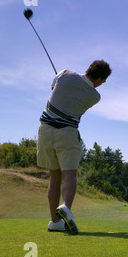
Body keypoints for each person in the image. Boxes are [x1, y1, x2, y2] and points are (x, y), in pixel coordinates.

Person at [37, 60, 111, 234]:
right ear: (99, 78)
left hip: (45, 130)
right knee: (69, 174)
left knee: (54, 177)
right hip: (67, 132)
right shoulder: (94, 96)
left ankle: (55, 222)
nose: (102, 84)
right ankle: (66, 207)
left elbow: (53, 89)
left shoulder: (63, 73)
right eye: (103, 81)